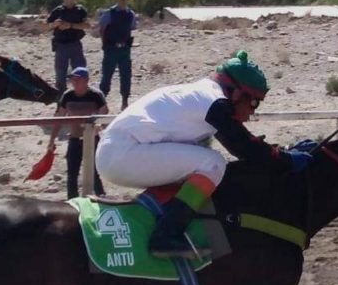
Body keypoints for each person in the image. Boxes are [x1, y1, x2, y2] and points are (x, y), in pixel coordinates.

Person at [95, 50, 313, 260]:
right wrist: (288, 159)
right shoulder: (215, 103)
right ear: (236, 92)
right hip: (123, 154)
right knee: (213, 163)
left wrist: (281, 152)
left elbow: (246, 146)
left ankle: (167, 218)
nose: (253, 110)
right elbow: (245, 148)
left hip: (120, 151)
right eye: (254, 101)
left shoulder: (206, 97)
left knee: (204, 160)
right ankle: (166, 237)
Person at [46, 66, 109, 199]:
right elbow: (59, 118)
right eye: (72, 80)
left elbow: (104, 113)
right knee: (72, 173)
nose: (74, 82)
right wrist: (51, 140)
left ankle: (101, 198)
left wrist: (97, 126)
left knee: (94, 171)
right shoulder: (67, 96)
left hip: (92, 139)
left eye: (77, 80)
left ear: (86, 81)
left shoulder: (96, 95)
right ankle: (72, 201)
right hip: (74, 139)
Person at [98, 0, 137, 110]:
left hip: (124, 49)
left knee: (126, 75)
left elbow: (131, 28)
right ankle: (102, 102)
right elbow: (102, 29)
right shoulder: (109, 13)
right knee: (107, 75)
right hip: (111, 48)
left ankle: (125, 101)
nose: (123, 0)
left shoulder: (130, 14)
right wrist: (105, 43)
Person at [47, 0, 89, 93]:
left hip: (75, 44)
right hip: (61, 46)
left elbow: (87, 25)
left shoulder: (80, 10)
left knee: (80, 72)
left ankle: (81, 96)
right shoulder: (57, 11)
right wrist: (55, 24)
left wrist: (70, 25)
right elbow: (47, 26)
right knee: (60, 74)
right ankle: (61, 101)